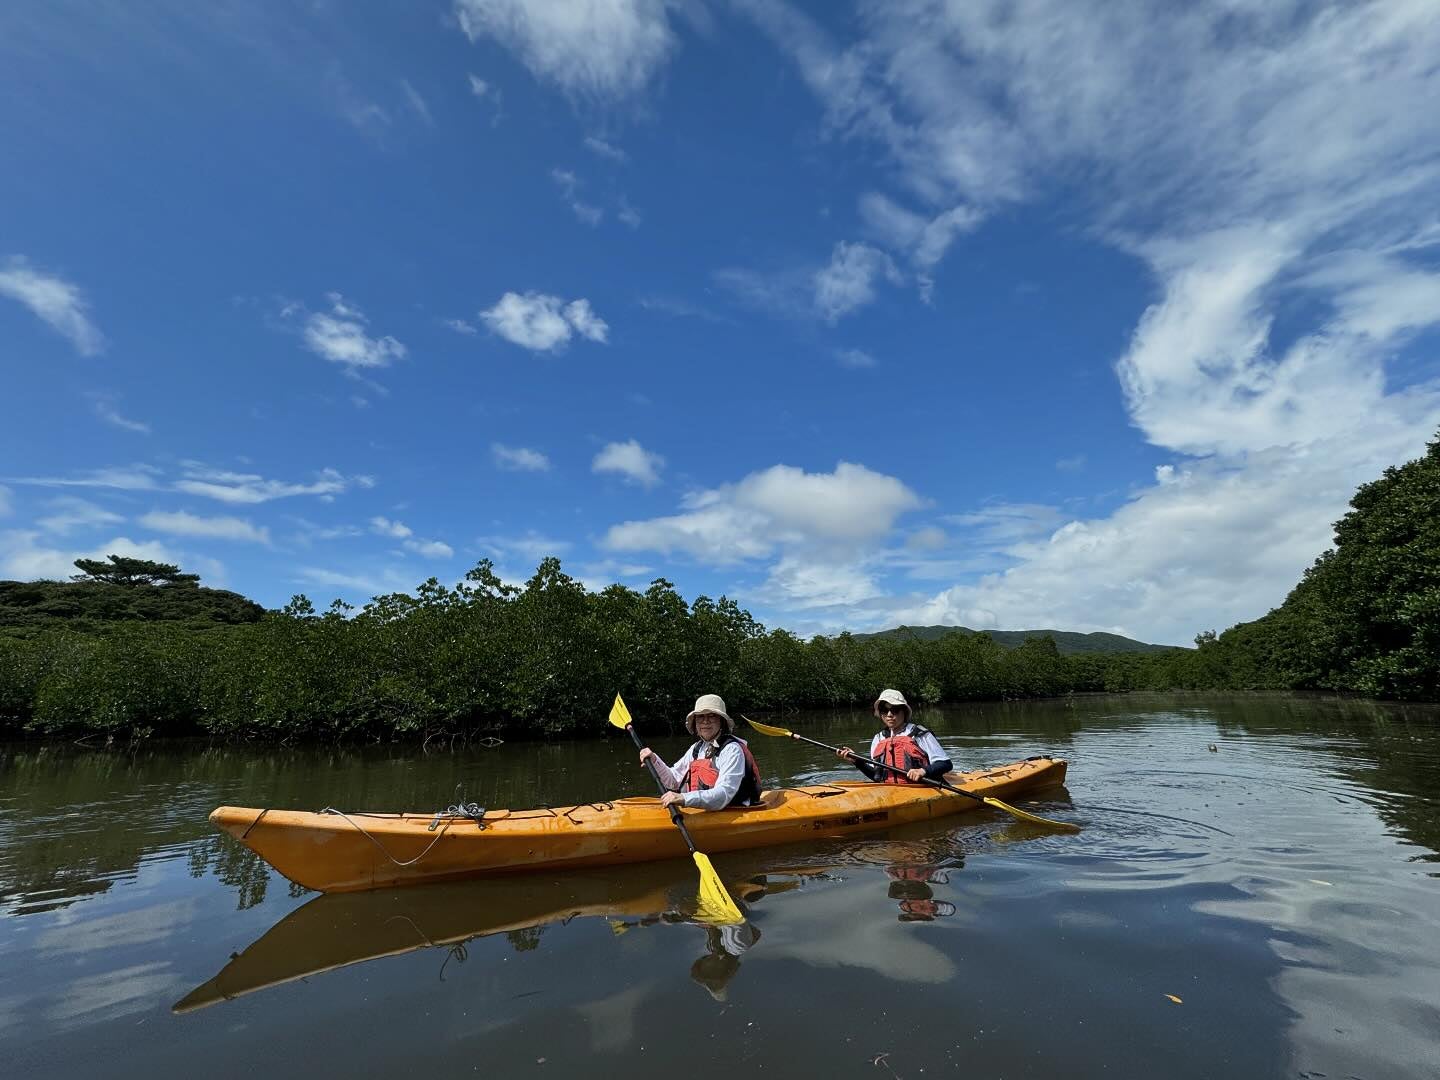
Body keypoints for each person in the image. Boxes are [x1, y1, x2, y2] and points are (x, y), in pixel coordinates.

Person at [638, 693, 764, 810]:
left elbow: (724, 794)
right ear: (695, 722)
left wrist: (684, 798)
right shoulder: (696, 749)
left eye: (712, 716)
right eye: (700, 716)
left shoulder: (732, 750)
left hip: (733, 811)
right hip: (706, 812)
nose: (705, 721)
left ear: (721, 721)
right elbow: (674, 780)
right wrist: (654, 761)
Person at [835, 688, 952, 783]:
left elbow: (945, 764)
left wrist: (923, 771)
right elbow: (877, 776)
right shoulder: (878, 738)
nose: (889, 714)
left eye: (895, 709)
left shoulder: (920, 734)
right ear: (880, 713)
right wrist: (856, 761)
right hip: (892, 791)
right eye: (884, 710)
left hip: (922, 788)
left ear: (904, 711)